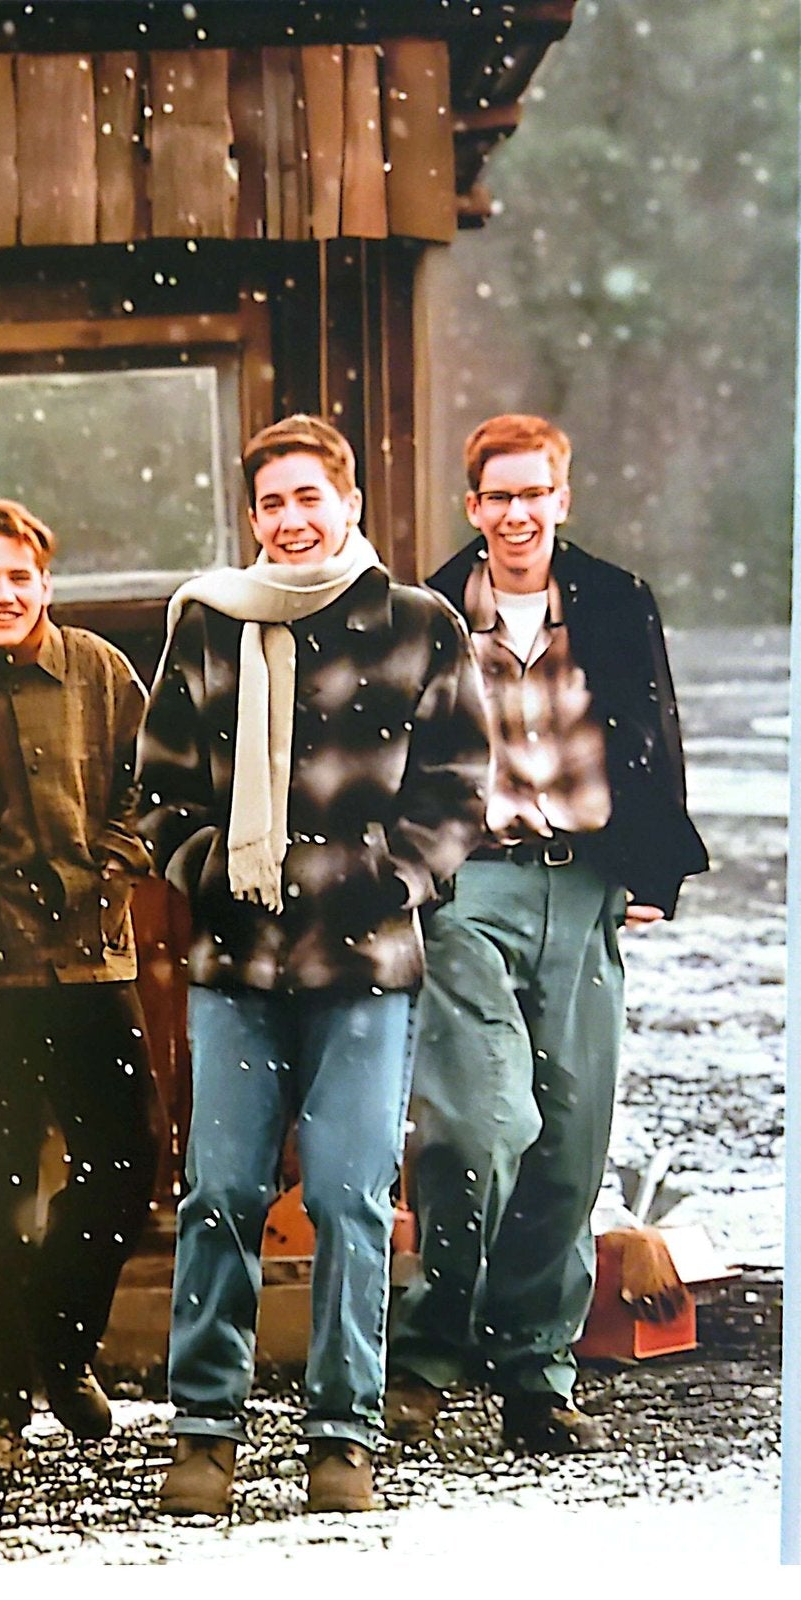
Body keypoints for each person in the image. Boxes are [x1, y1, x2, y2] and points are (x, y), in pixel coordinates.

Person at [135, 415, 490, 1516]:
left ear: (348, 503)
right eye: (271, 503)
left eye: (308, 497)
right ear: (252, 517)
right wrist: (213, 867)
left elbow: (457, 789)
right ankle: (205, 1430)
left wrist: (382, 876)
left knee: (347, 1194)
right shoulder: (208, 622)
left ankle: (342, 1435)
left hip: (366, 960)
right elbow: (158, 789)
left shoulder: (417, 625)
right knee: (221, 1192)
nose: (290, 520)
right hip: (236, 961)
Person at [385, 413, 709, 1453]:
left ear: (560, 499)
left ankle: (536, 1371)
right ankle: (428, 1353)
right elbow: (400, 752)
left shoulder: (612, 601)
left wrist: (653, 865)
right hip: (470, 886)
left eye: (535, 493)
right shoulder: (429, 610)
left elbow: (652, 730)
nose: (517, 513)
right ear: (472, 506)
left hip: (583, 884)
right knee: (478, 1127)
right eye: (499, 496)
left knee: (570, 1140)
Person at [0, 498, 161, 1476]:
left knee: (126, 1162)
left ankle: (58, 1339)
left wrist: (102, 869)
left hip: (87, 958)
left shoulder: (99, 673)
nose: (2, 594)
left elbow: (149, 789)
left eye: (18, 577)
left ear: (45, 583)